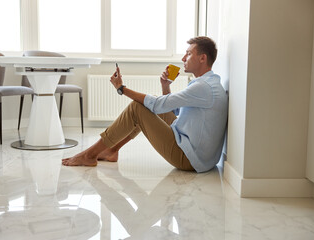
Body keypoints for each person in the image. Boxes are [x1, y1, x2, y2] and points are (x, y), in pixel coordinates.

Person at [62, 36, 228, 173]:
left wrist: (121, 88)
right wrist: (165, 86)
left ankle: (90, 154)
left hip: (190, 159)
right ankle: (112, 150)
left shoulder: (203, 87)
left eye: (188, 54)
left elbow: (157, 105)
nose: (183, 58)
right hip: (200, 156)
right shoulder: (208, 83)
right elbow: (172, 108)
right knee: (149, 104)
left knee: (138, 108)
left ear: (202, 58)